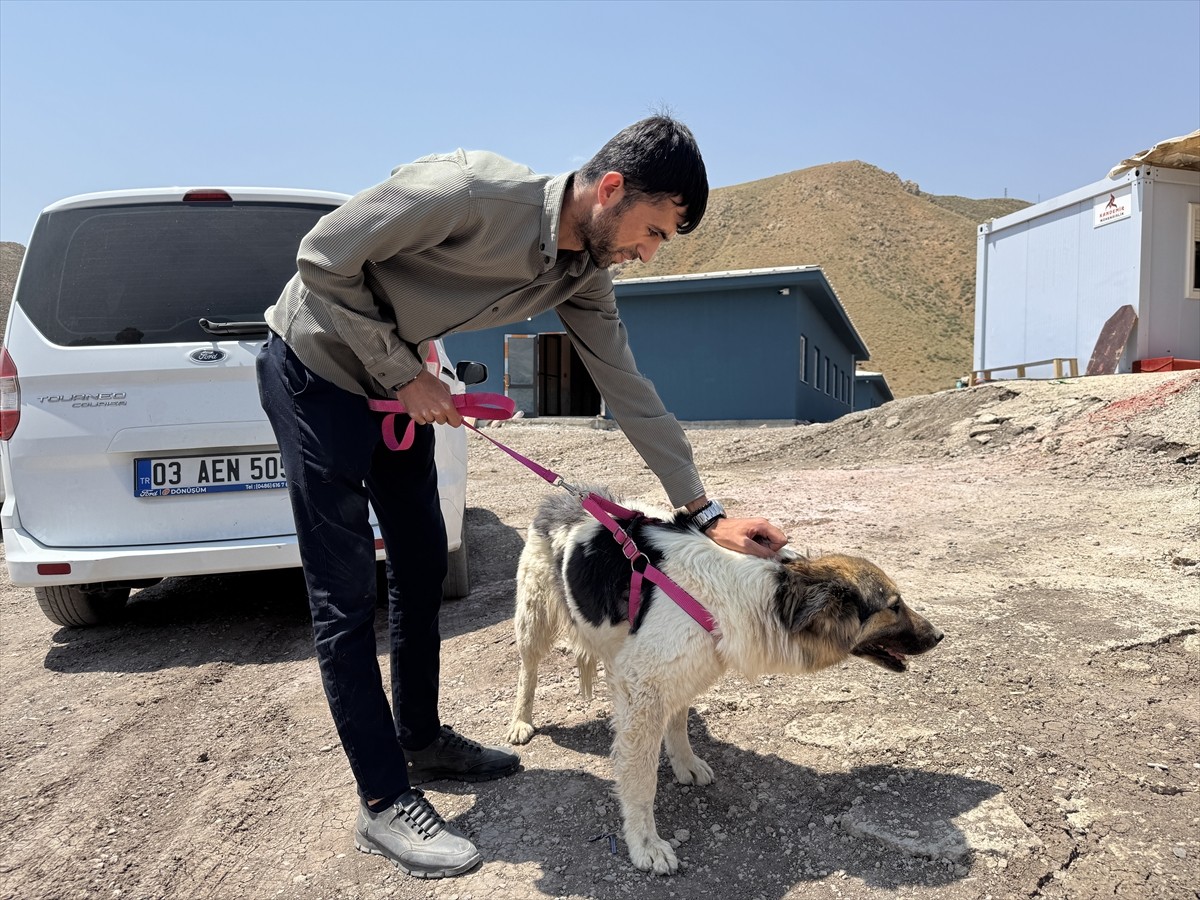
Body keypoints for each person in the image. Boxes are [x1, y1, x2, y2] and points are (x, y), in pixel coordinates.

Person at [256, 115, 789, 880]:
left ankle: (420, 740)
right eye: (652, 232)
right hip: (314, 372)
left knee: (421, 568)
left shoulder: (583, 277)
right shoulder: (469, 192)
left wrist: (705, 514)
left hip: (398, 387)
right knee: (345, 597)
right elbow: (320, 258)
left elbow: (629, 391)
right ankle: (383, 800)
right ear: (610, 189)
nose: (647, 254)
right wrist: (401, 372)